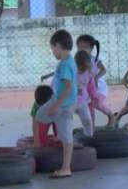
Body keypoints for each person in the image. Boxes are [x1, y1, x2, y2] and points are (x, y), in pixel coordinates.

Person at [35, 30, 78, 179]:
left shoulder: (66, 64)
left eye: (53, 48)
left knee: (66, 137)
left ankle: (66, 168)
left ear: (58, 46)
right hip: (58, 101)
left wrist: (57, 105)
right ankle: (46, 139)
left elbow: (68, 87)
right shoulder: (66, 62)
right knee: (39, 115)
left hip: (64, 105)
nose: (52, 51)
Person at [75, 35, 115, 127]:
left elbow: (104, 70)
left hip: (98, 87)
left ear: (91, 48)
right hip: (86, 89)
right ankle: (91, 127)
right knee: (87, 108)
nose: (82, 50)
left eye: (85, 47)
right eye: (79, 47)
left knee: (97, 104)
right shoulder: (77, 60)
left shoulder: (95, 60)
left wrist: (96, 77)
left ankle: (111, 115)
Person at [74, 51, 96, 137]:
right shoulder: (70, 72)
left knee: (87, 121)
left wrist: (93, 95)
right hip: (69, 102)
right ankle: (64, 140)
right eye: (80, 68)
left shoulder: (88, 73)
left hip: (82, 102)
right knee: (66, 122)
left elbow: (91, 86)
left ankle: (88, 137)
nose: (82, 70)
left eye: (84, 68)